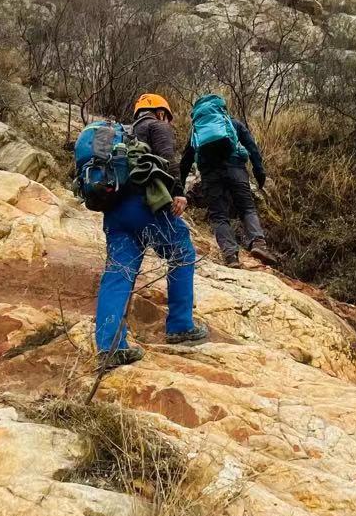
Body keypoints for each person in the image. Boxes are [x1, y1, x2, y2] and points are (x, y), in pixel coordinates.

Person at [91, 92, 209, 369]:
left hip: (115, 212)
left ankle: (109, 348)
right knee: (181, 250)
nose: (167, 120)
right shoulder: (157, 126)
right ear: (160, 113)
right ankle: (180, 325)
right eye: (167, 116)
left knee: (118, 273)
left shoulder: (119, 135)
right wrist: (178, 193)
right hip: (145, 206)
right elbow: (167, 159)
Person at [180, 98, 278, 268]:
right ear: (222, 109)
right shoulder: (233, 123)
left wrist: (179, 188)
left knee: (218, 216)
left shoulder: (197, 130)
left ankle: (231, 256)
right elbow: (252, 148)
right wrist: (259, 172)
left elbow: (185, 160)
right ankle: (258, 244)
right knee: (247, 208)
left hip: (210, 175)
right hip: (236, 169)